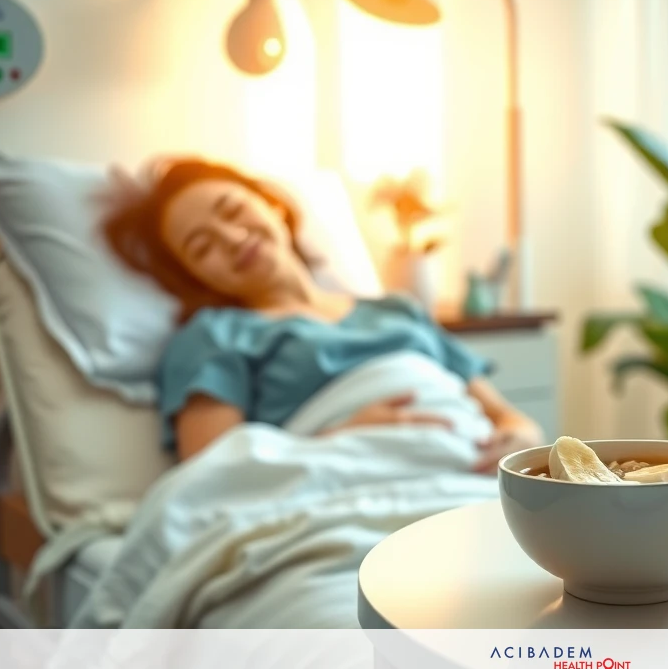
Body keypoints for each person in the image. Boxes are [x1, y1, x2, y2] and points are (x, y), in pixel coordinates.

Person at [102, 157, 543, 467]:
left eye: (234, 211)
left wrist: (522, 441)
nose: (233, 239)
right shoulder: (216, 336)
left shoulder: (398, 310)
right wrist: (336, 441)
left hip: (472, 475)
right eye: (202, 247)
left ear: (272, 205)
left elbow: (508, 417)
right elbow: (214, 472)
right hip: (347, 485)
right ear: (196, 276)